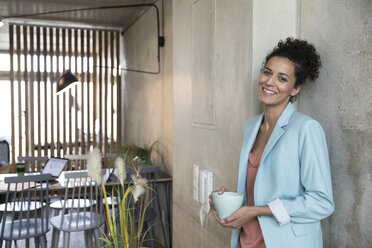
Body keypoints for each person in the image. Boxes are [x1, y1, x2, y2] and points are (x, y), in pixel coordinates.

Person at [209, 37, 334, 248]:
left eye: (282, 78)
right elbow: (259, 191)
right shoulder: (250, 127)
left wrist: (258, 210)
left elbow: (321, 203)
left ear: (295, 89)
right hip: (245, 241)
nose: (269, 82)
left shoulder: (306, 129)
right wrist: (227, 203)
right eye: (267, 72)